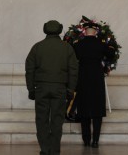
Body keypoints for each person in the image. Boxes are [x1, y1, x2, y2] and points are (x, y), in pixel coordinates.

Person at [25, 20, 78, 155]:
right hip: (59, 89)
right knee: (57, 120)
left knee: (41, 120)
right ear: (60, 30)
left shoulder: (37, 47)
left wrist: (31, 89)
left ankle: (45, 149)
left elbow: (29, 69)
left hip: (41, 88)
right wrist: (71, 89)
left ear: (45, 29)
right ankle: (54, 150)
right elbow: (73, 70)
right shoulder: (67, 48)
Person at [72, 22, 115, 147]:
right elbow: (111, 55)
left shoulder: (77, 45)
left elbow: (73, 58)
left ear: (84, 31)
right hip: (97, 78)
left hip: (83, 77)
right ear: (95, 32)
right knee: (97, 109)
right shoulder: (101, 45)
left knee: (84, 108)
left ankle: (86, 140)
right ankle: (95, 141)